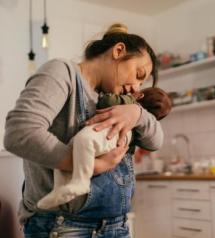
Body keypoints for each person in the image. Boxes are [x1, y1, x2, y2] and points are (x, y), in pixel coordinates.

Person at [4, 23, 162, 238]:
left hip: (117, 226)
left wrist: (136, 113)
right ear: (118, 51)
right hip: (64, 226)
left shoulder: (121, 102)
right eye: (138, 74)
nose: (136, 87)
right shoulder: (63, 72)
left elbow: (156, 141)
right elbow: (19, 133)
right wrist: (89, 166)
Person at [37, 87, 172, 209]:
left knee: (83, 140)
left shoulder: (129, 104)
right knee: (70, 150)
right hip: (114, 138)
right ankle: (60, 190)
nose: (133, 87)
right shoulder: (142, 124)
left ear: (140, 95)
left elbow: (107, 101)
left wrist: (131, 99)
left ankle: (81, 181)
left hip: (112, 133)